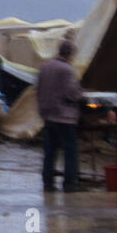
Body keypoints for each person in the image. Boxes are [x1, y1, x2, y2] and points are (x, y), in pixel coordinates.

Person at [36, 39, 83, 191]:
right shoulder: (67, 70)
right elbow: (72, 93)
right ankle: (69, 184)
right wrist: (80, 94)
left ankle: (48, 183)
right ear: (70, 54)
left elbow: (38, 89)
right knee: (70, 151)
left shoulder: (45, 66)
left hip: (48, 115)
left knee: (50, 152)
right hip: (64, 117)